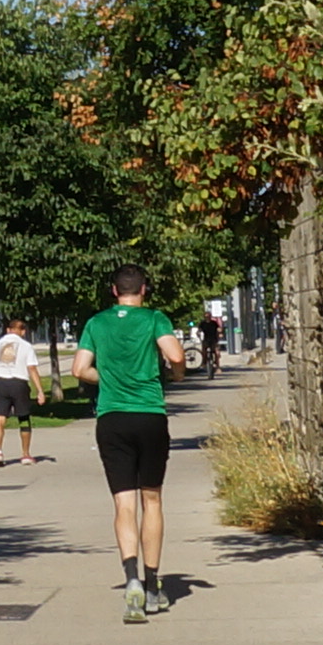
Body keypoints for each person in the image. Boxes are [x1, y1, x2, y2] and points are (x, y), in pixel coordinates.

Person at [80, 265, 190, 619]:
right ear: (145, 289)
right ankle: (154, 583)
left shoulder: (96, 323)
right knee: (152, 500)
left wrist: (109, 378)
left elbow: (79, 369)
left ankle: (131, 582)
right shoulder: (155, 319)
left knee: (123, 504)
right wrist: (176, 375)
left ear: (114, 291)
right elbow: (175, 356)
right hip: (149, 416)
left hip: (112, 419)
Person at [0, 315, 43, 465]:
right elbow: (32, 369)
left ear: (8, 330)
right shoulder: (26, 346)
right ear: (23, 331)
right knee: (23, 418)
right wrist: (40, 391)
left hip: (0, 383)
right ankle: (25, 454)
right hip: (19, 383)